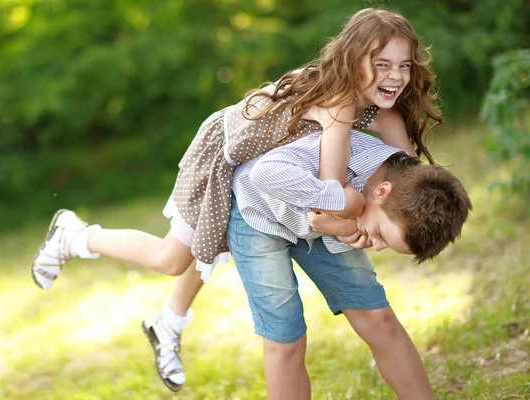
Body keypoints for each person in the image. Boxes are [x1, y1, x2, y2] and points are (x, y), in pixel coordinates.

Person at [31, 7, 441, 392]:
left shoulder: (384, 109)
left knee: (195, 255)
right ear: (354, 61)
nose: (397, 76)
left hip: (280, 181)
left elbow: (410, 179)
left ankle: (167, 320)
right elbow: (328, 199)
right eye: (382, 64)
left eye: (404, 65)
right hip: (228, 155)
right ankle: (74, 236)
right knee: (172, 258)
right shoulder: (338, 103)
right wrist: (343, 222)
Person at [224, 129, 471, 399]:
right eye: (379, 234)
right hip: (256, 213)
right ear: (382, 192)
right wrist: (338, 208)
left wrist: (337, 222)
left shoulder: (391, 194)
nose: (374, 245)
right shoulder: (346, 151)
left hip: (324, 225)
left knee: (378, 318)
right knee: (285, 334)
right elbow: (264, 173)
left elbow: (330, 220)